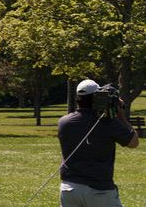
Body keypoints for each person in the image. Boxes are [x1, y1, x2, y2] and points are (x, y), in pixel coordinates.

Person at [58, 79, 139, 207]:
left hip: (69, 187)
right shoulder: (108, 123)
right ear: (97, 97)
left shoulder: (64, 122)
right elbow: (133, 142)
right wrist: (121, 116)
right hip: (99, 189)